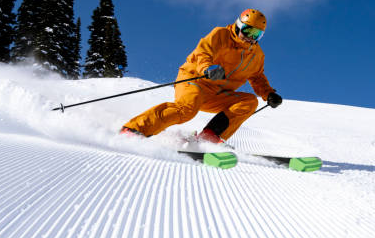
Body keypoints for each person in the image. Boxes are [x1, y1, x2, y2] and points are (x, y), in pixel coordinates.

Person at [120, 8, 282, 144]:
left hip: (217, 94)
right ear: (239, 26)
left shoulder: (257, 55)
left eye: (256, 35)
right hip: (195, 80)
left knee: (248, 101)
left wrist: (269, 94)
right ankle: (134, 129)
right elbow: (203, 52)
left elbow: (257, 77)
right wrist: (207, 68)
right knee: (186, 111)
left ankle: (208, 138)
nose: (250, 37)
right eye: (248, 31)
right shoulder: (221, 35)